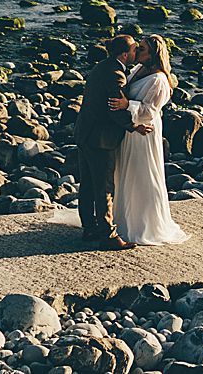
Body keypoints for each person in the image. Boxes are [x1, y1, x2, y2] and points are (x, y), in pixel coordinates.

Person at [113, 34, 190, 246]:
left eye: (142, 49)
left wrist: (127, 105)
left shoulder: (159, 80)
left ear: (154, 55)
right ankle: (120, 219)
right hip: (131, 131)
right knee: (124, 173)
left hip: (144, 133)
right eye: (138, 48)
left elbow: (149, 112)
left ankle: (142, 225)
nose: (137, 52)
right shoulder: (139, 70)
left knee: (142, 173)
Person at [74, 33, 136, 248]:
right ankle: (108, 236)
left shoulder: (101, 66)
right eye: (134, 49)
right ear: (125, 54)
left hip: (84, 133)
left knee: (88, 185)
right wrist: (133, 125)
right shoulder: (116, 75)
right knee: (104, 187)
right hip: (101, 139)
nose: (136, 52)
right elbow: (115, 108)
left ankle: (89, 228)